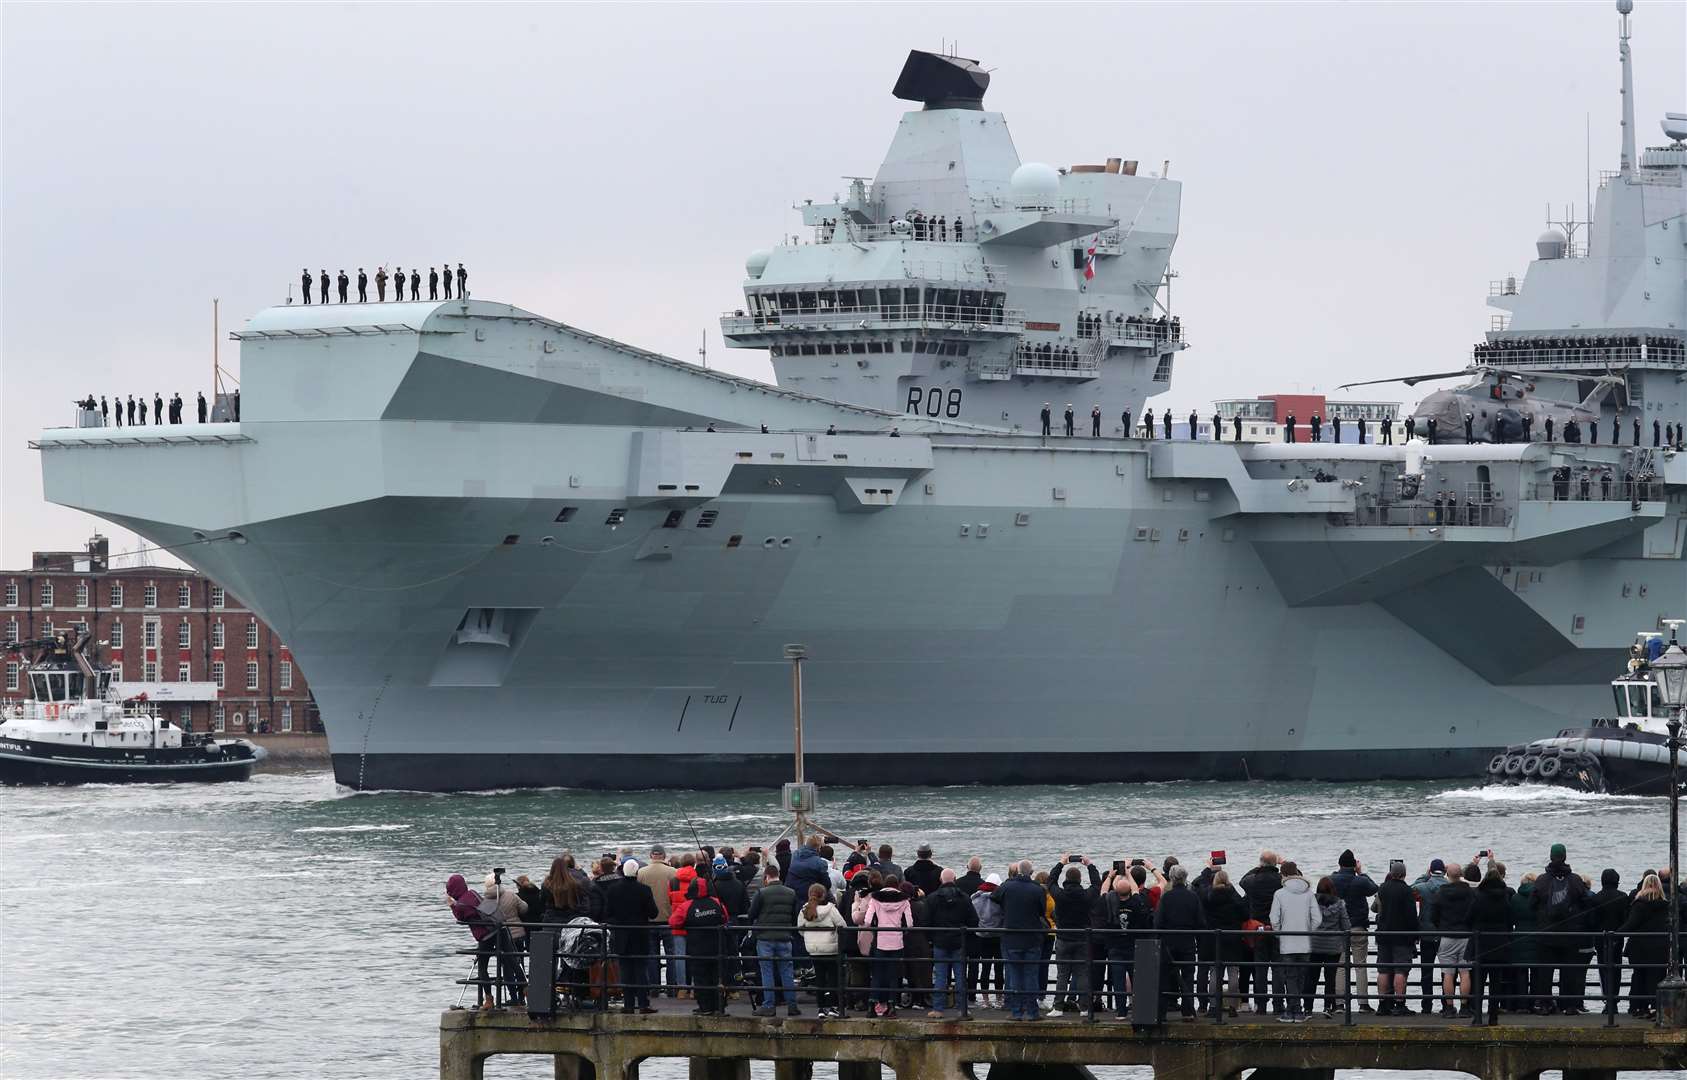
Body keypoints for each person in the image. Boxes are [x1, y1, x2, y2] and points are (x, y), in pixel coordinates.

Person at [1532, 843, 1590, 1014]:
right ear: (1565, 857)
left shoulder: (1542, 880)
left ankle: (1544, 1004)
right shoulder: (1575, 880)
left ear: (1550, 856)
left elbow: (1532, 904)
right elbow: (1586, 903)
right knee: (1569, 971)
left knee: (1545, 972)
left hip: (1546, 934)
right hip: (1570, 935)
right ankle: (1569, 1005)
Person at [993, 860, 1049, 1021]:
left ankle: (1016, 1011)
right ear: (1031, 872)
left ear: (1017, 871)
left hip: (1011, 937)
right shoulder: (1037, 889)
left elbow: (994, 897)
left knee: (1015, 975)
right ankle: (1032, 1012)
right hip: (1032, 938)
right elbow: (1041, 910)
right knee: (1031, 975)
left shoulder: (1007, 886)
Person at [602, 859, 658, 1013]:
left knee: (625, 971)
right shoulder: (644, 890)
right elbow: (653, 913)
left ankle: (628, 1005)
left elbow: (607, 914)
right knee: (641, 971)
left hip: (621, 935)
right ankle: (643, 1004)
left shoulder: (613, 890)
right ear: (637, 872)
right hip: (640, 935)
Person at [1048, 856, 1100, 1013]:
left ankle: (1058, 1007)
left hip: (1063, 938)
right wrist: (1090, 865)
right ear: (1080, 879)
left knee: (1062, 975)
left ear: (1066, 879)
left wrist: (1061, 863)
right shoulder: (1086, 896)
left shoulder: (1060, 895)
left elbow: (1050, 881)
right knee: (1083, 974)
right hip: (1082, 938)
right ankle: (1084, 1008)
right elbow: (1097, 884)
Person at [856, 873, 912, 1017]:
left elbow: (867, 921)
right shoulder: (904, 900)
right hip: (897, 942)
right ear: (897, 885)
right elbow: (910, 923)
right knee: (893, 975)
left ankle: (872, 1006)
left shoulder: (875, 898)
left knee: (877, 975)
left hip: (880, 941)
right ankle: (892, 1006)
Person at [1156, 865, 1207, 1019]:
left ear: (1171, 878)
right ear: (1185, 878)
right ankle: (1187, 1011)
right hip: (1187, 942)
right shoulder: (1193, 897)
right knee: (1188, 977)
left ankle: (1162, 1012)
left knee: (1164, 977)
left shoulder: (1166, 897)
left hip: (1168, 942)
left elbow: (1158, 922)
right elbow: (1201, 922)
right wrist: (1198, 940)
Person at [1268, 863, 1317, 1023]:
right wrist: (1308, 930)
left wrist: (1280, 933)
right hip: (1305, 942)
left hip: (1287, 942)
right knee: (1301, 976)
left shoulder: (1279, 894)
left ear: (1282, 875)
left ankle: (1292, 1010)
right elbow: (1317, 918)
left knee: (1290, 976)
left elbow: (1274, 919)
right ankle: (1298, 1009)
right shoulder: (1309, 893)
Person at [925, 868, 978, 1017]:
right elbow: (974, 920)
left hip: (940, 941)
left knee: (940, 976)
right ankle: (962, 1009)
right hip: (958, 941)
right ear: (954, 879)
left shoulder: (932, 898)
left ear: (941, 880)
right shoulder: (964, 898)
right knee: (960, 976)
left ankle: (938, 1009)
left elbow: (925, 921)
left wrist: (932, 937)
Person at [1331, 850, 1377, 1012]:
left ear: (1339, 864)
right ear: (1354, 865)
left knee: (1341, 966)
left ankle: (1339, 1004)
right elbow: (1374, 889)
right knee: (1360, 965)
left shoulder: (1332, 879)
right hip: (1358, 926)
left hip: (1338, 929)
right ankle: (1363, 1004)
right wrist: (1361, 872)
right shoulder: (1360, 881)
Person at [749, 864, 799, 1016]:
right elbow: (794, 915)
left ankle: (769, 1005)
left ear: (766, 877)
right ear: (779, 875)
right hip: (785, 937)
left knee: (767, 971)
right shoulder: (791, 893)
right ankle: (792, 1006)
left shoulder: (762, 893)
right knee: (787, 971)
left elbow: (752, 914)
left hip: (765, 937)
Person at [1200, 867, 1248, 1017]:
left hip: (1214, 938)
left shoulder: (1208, 897)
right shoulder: (1233, 896)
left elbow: (1198, 886)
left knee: (1215, 972)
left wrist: (1207, 870)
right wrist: (1232, 889)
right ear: (1228, 882)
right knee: (1233, 972)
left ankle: (1213, 1006)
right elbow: (1245, 914)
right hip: (1232, 937)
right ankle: (1233, 1007)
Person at [1240, 851, 1284, 1015]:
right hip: (1277, 927)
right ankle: (1278, 1004)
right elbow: (1297, 878)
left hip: (1258, 928)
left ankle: (1261, 1005)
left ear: (1260, 863)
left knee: (1260, 969)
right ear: (1275, 864)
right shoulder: (1281, 880)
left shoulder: (1253, 880)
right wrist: (1283, 863)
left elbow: (1242, 881)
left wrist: (1257, 868)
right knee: (1278, 969)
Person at [1619, 874, 1669, 1018]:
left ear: (1644, 885)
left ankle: (1638, 1006)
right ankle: (1655, 1007)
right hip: (1660, 946)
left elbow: (1631, 924)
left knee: (1639, 976)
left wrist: (1616, 934)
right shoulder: (1665, 905)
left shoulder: (1639, 904)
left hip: (1640, 947)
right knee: (1657, 977)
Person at [679, 877, 730, 1014]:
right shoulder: (716, 902)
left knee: (701, 979)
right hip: (717, 946)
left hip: (697, 948)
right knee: (718, 977)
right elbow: (725, 917)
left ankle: (705, 1007)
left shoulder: (687, 905)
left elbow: (674, 921)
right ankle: (719, 1006)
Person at [1374, 861, 1418, 1016]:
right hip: (1402, 936)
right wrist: (1415, 934)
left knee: (1383, 970)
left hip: (1383, 934)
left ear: (1392, 873)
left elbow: (1377, 910)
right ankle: (1399, 1004)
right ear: (1404, 874)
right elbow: (1411, 915)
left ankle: (1382, 1004)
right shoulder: (1406, 891)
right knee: (1401, 970)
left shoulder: (1382, 888)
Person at [1469, 865, 1515, 1018]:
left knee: (1479, 981)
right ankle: (1493, 1016)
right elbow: (1510, 919)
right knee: (1496, 981)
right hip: (1499, 943)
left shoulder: (1478, 895)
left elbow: (1469, 917)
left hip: (1481, 943)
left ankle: (1477, 1016)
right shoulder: (1504, 896)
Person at [797, 882, 848, 1017]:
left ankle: (821, 1008)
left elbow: (800, 929)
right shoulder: (830, 910)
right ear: (824, 895)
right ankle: (833, 1006)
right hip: (830, 948)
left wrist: (810, 936)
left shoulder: (804, 910)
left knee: (819, 979)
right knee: (833, 978)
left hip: (814, 949)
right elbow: (842, 925)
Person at [1432, 863, 1475, 1016]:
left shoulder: (1441, 892)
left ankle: (1449, 1008)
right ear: (1461, 875)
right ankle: (1464, 1007)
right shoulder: (1469, 892)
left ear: (1447, 875)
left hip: (1447, 936)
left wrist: (1441, 927)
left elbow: (1433, 915)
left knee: (1448, 973)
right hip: (1465, 936)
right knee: (1465, 973)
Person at [637, 847, 680, 997]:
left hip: (649, 920)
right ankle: (672, 988)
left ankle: (653, 988)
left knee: (651, 955)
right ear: (664, 856)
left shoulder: (641, 872)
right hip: (669, 919)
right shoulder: (673, 872)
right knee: (672, 956)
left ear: (651, 856)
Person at [1307, 877, 1351, 1016]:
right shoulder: (1339, 904)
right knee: (1330, 978)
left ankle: (1308, 1008)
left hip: (1314, 945)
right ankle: (1328, 1007)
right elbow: (1346, 925)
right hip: (1333, 946)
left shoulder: (1311, 902)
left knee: (1312, 978)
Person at [1590, 869, 1630, 1016]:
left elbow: (1593, 921)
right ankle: (1615, 1001)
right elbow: (1626, 918)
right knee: (1616, 968)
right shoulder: (1623, 897)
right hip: (1618, 938)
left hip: (1601, 938)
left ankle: (1608, 1000)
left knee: (1604, 969)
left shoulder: (1596, 898)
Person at [970, 873, 1005, 1009]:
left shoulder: (975, 898)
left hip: (982, 936)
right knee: (999, 968)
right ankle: (999, 998)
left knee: (985, 968)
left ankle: (985, 1000)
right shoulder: (999, 898)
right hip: (998, 936)